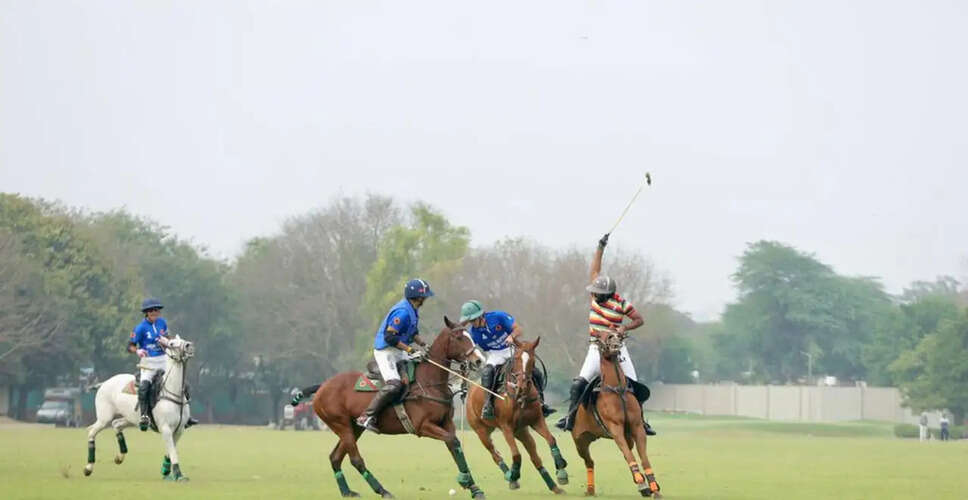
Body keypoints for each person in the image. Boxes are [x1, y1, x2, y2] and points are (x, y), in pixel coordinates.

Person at [556, 233, 655, 435]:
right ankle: (570, 417)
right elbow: (595, 270)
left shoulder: (621, 303)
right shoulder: (594, 296)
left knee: (634, 386)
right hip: (595, 347)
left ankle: (641, 421)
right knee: (579, 383)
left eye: (597, 293)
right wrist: (600, 247)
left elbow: (639, 319)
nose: (593, 294)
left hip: (618, 348)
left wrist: (623, 328)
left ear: (606, 294)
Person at [356, 279, 434, 433]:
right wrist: (410, 350)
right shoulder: (403, 312)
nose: (425, 298)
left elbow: (413, 332)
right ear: (416, 297)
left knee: (418, 369)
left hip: (398, 350)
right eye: (424, 296)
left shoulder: (413, 310)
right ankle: (366, 416)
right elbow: (389, 337)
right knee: (394, 385)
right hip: (386, 351)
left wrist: (424, 345)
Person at [459, 300, 554, 419]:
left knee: (535, 372)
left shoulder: (498, 317)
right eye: (469, 321)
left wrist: (511, 336)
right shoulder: (473, 333)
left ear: (481, 316)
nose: (472, 323)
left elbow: (519, 329)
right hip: (495, 354)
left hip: (512, 348)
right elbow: (472, 350)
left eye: (473, 320)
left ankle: (541, 403)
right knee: (487, 372)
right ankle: (488, 404)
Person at [129, 298, 171, 431]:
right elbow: (130, 346)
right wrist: (138, 350)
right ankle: (144, 416)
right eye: (152, 310)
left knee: (180, 381)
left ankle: (185, 415)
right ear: (146, 312)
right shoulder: (140, 328)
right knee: (144, 387)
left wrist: (166, 341)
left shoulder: (162, 323)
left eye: (157, 310)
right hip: (149, 363)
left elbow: (168, 337)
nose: (155, 312)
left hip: (164, 360)